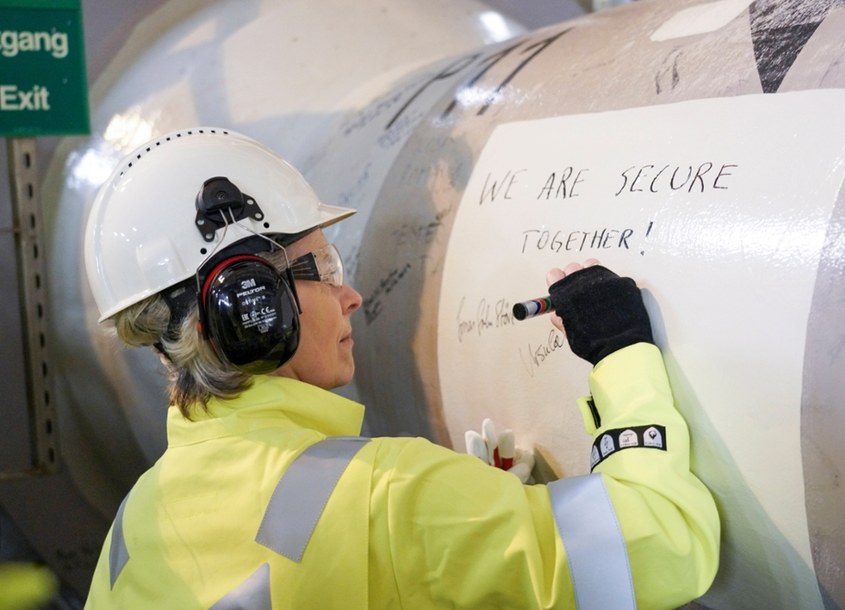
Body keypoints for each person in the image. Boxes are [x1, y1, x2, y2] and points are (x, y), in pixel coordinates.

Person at [82, 127, 719, 609]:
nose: (350, 295)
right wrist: (622, 355)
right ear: (254, 309)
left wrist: (462, 515)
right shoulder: (390, 496)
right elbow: (666, 543)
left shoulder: (133, 524)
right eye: (324, 269)